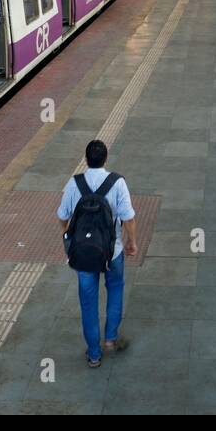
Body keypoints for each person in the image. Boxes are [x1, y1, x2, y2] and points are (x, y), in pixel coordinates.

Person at [57, 140, 137, 368]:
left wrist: (67, 237)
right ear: (106, 158)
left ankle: (94, 354)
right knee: (115, 288)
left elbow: (62, 215)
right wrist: (132, 242)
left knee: (88, 302)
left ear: (86, 159)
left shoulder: (75, 184)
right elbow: (128, 218)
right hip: (113, 252)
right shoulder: (117, 183)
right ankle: (110, 339)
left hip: (83, 255)